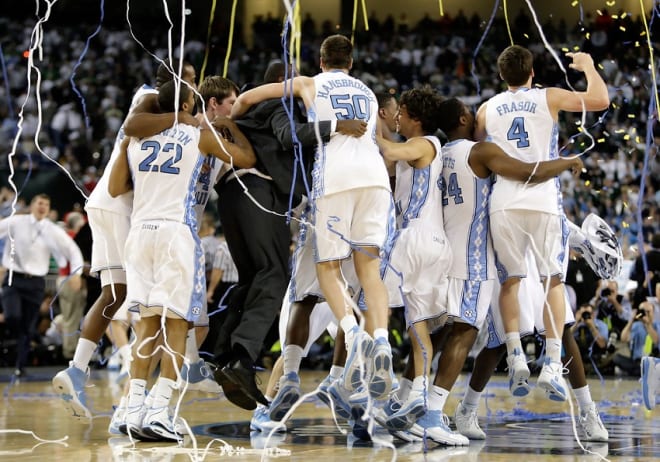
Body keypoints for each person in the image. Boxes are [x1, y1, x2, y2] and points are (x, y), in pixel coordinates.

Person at [231, 34, 395, 409]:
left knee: (326, 268)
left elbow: (249, 98)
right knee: (368, 269)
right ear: (351, 63)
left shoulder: (308, 83)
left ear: (320, 62)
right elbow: (382, 143)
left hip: (334, 181)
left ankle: (353, 336)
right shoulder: (369, 93)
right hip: (375, 180)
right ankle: (381, 338)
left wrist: (234, 115)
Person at [108, 80, 255, 441]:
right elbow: (248, 159)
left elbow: (115, 188)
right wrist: (231, 127)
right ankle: (159, 410)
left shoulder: (135, 138)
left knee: (146, 323)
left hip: (139, 232)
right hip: (176, 232)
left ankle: (134, 406)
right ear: (191, 103)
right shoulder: (199, 137)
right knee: (178, 326)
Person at [52, 60, 198, 419]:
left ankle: (79, 368)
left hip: (110, 202)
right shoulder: (149, 97)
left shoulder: (155, 106)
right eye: (192, 80)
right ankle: (137, 396)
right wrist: (183, 119)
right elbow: (132, 125)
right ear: (177, 83)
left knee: (115, 293)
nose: (195, 86)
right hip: (121, 204)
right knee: (144, 303)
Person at [475, 45, 609, 401]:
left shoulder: (487, 109)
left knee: (511, 282)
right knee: (552, 280)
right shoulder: (547, 96)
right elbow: (599, 100)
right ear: (532, 72)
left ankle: (516, 354)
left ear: (502, 76)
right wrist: (588, 66)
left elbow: (480, 153)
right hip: (542, 200)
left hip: (503, 202)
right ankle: (551, 362)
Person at [0, 194, 84, 377]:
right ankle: (22, 338)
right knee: (12, 316)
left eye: (46, 204)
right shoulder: (16, 222)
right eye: (39, 203)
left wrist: (76, 273)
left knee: (29, 326)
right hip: (14, 278)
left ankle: (20, 366)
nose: (43, 206)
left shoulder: (52, 230)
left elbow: (73, 250)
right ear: (32, 205)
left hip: (36, 282)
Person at [614, 300, 660, 376]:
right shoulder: (636, 325)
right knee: (616, 358)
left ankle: (640, 372)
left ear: (653, 312)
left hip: (653, 360)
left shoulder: (658, 325)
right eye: (643, 312)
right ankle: (642, 371)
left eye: (648, 312)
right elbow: (623, 339)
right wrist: (631, 320)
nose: (646, 314)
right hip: (638, 361)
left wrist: (647, 325)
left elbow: (656, 341)